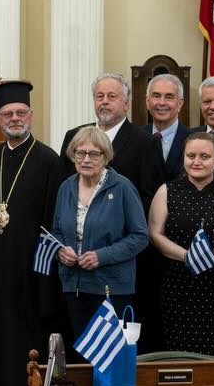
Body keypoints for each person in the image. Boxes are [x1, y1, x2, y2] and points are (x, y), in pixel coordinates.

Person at [0, 80, 66, 386]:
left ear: (31, 115)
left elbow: (55, 218)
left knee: (24, 335)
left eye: (21, 112)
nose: (15, 118)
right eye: (8, 113)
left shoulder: (49, 160)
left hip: (30, 267)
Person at [61, 74, 166, 350]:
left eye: (112, 96)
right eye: (100, 96)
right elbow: (64, 209)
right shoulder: (74, 137)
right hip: (76, 277)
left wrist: (109, 233)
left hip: (119, 269)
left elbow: (151, 199)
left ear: (126, 103)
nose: (105, 102)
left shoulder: (145, 142)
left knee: (113, 350)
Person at [149, 131, 214, 355]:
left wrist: (210, 256)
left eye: (205, 156)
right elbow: (155, 234)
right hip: (178, 287)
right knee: (180, 356)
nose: (196, 161)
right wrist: (187, 257)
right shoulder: (166, 191)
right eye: (191, 156)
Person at [54, 126, 150, 345]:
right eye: (80, 153)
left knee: (109, 356)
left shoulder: (122, 187)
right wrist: (60, 251)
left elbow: (140, 236)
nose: (86, 159)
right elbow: (57, 231)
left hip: (111, 289)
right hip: (73, 287)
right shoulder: (66, 188)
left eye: (94, 154)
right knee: (81, 353)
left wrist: (101, 256)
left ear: (105, 157)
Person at [145, 74, 193, 181]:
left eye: (169, 97)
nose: (162, 103)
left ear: (180, 104)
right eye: (156, 96)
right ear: (147, 102)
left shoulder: (193, 140)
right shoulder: (135, 137)